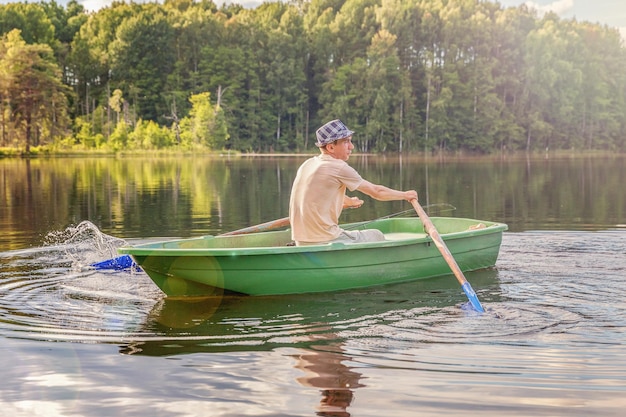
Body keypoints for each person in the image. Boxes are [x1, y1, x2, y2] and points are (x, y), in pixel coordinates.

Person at [289, 119, 418, 246]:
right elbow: (376, 192)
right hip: (324, 239)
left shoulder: (308, 164)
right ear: (331, 147)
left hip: (301, 241)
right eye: (346, 142)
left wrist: (348, 201)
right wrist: (406, 195)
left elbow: (319, 195)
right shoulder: (339, 167)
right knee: (376, 234)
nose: (352, 147)